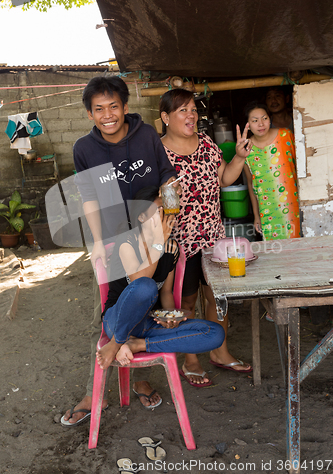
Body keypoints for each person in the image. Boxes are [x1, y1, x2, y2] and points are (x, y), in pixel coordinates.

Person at [61, 76, 178, 426]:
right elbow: (90, 198)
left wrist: (160, 213)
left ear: (125, 107)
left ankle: (139, 378)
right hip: (113, 240)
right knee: (108, 310)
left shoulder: (145, 136)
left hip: (152, 229)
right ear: (89, 113)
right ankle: (93, 393)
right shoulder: (84, 148)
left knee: (148, 299)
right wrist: (97, 240)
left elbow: (168, 179)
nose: (107, 114)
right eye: (99, 109)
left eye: (114, 106)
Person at [159, 89, 253, 387]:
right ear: (165, 117)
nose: (191, 115)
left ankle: (220, 352)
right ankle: (191, 360)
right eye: (182, 111)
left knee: (217, 297)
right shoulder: (157, 152)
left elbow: (225, 179)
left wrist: (238, 157)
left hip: (213, 238)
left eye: (192, 110)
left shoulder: (208, 144)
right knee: (185, 302)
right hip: (179, 242)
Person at [96, 186, 225, 371]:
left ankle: (137, 345)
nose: (164, 215)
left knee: (214, 333)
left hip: (147, 323)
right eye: (157, 211)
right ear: (141, 217)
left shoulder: (171, 247)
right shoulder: (127, 242)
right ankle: (118, 341)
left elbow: (165, 292)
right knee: (146, 286)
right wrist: (158, 242)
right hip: (117, 321)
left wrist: (170, 316)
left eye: (165, 209)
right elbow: (140, 282)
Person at [243, 101, 300, 240]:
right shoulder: (246, 150)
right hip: (266, 211)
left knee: (296, 251)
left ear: (270, 120)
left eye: (265, 118)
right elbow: (251, 185)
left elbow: (299, 171)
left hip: (292, 207)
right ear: (248, 125)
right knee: (274, 254)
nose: (261, 124)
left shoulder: (286, 135)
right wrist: (256, 216)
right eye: (255, 120)